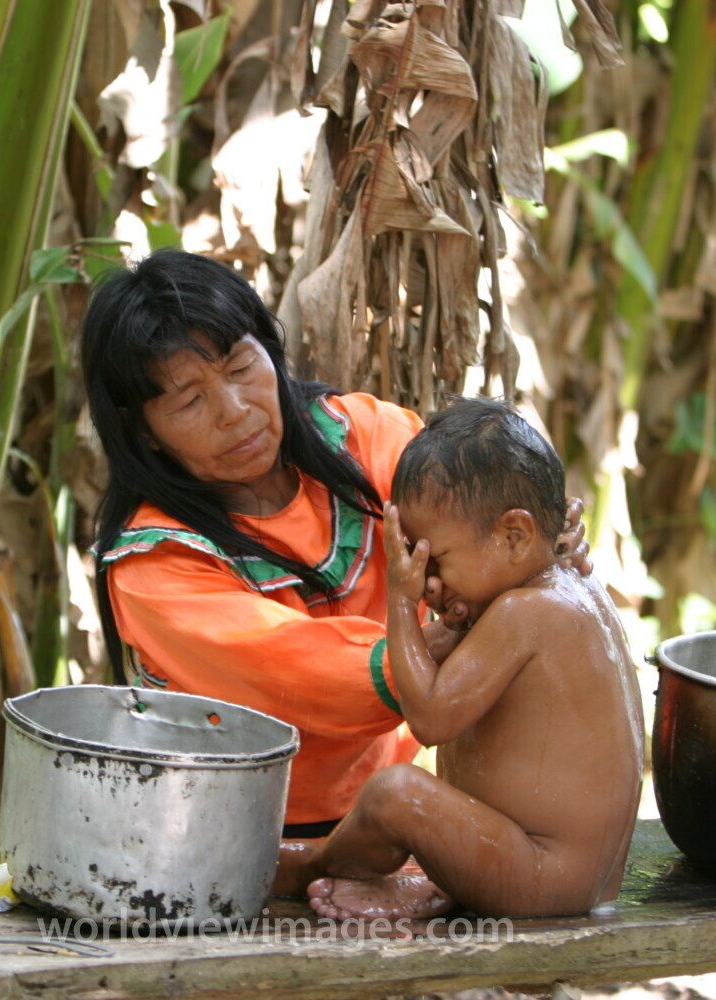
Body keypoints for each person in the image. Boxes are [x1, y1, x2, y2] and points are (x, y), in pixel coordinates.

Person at [81, 249, 589, 837]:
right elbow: (303, 674)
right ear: (142, 430)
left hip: (400, 807)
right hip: (237, 835)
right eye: (190, 400)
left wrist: (540, 548)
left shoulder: (368, 436)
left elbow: (487, 535)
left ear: (271, 351)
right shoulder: (155, 563)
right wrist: (488, 620)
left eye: (243, 368)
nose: (235, 411)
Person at [273, 398, 644, 919]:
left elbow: (428, 718)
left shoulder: (524, 611)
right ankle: (440, 886)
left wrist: (401, 602)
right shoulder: (570, 582)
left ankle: (309, 867)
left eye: (434, 561)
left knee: (397, 795)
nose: (428, 584)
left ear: (514, 537)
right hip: (567, 874)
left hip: (542, 879)